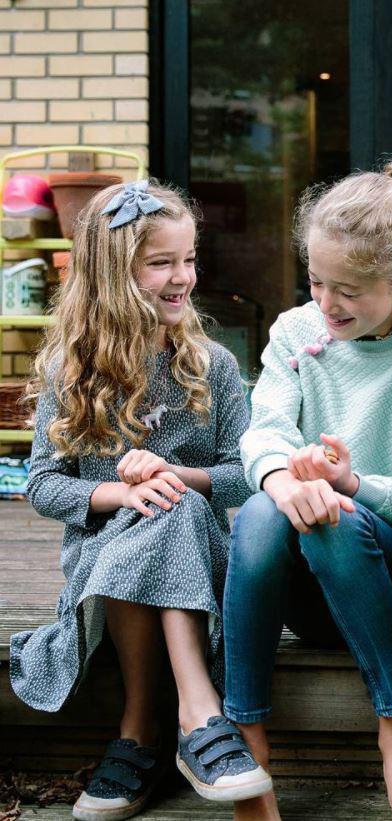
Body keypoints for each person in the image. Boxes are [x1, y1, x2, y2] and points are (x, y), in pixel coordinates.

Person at [223, 154, 392, 821]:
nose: (327, 304)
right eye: (316, 282)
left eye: (350, 290)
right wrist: (284, 480)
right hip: (311, 597)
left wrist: (348, 481)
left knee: (332, 513)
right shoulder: (295, 333)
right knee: (257, 510)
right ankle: (245, 739)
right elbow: (263, 433)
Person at [9, 180, 268, 821]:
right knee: (151, 509)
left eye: (188, 259)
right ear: (112, 275)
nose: (183, 277)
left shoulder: (214, 365)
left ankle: (139, 731)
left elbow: (247, 472)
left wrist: (175, 474)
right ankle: (199, 720)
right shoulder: (71, 371)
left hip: (201, 554)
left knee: (172, 503)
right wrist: (120, 491)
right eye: (162, 263)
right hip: (102, 561)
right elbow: (41, 484)